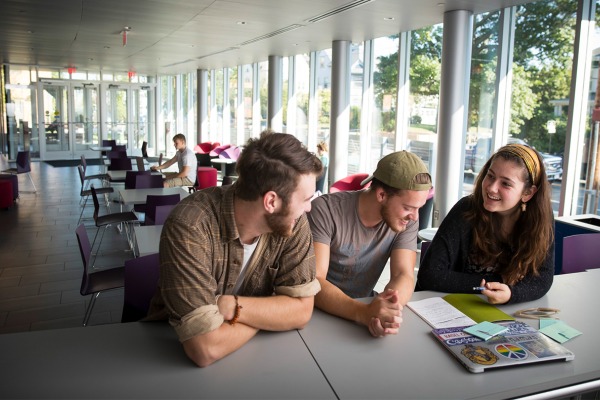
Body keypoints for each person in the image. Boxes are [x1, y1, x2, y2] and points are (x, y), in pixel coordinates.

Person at [146, 131, 323, 367]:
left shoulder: (292, 222)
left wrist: (233, 307)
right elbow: (204, 347)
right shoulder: (190, 224)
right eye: (306, 199)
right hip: (164, 356)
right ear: (271, 201)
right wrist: (273, 311)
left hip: (255, 360)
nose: (309, 208)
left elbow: (301, 311)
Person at [307, 151, 432, 337]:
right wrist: (363, 313)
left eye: (418, 208)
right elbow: (315, 280)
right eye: (408, 207)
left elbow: (403, 274)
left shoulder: (408, 220)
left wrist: (387, 310)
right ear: (381, 194)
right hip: (317, 313)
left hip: (365, 312)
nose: (415, 217)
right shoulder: (325, 210)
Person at [415, 143, 554, 304]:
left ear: (528, 193)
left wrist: (510, 294)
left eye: (506, 183)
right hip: (446, 307)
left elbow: (542, 279)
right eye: (491, 176)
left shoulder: (540, 219)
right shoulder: (466, 209)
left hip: (496, 313)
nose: (492, 188)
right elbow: (430, 275)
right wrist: (500, 281)